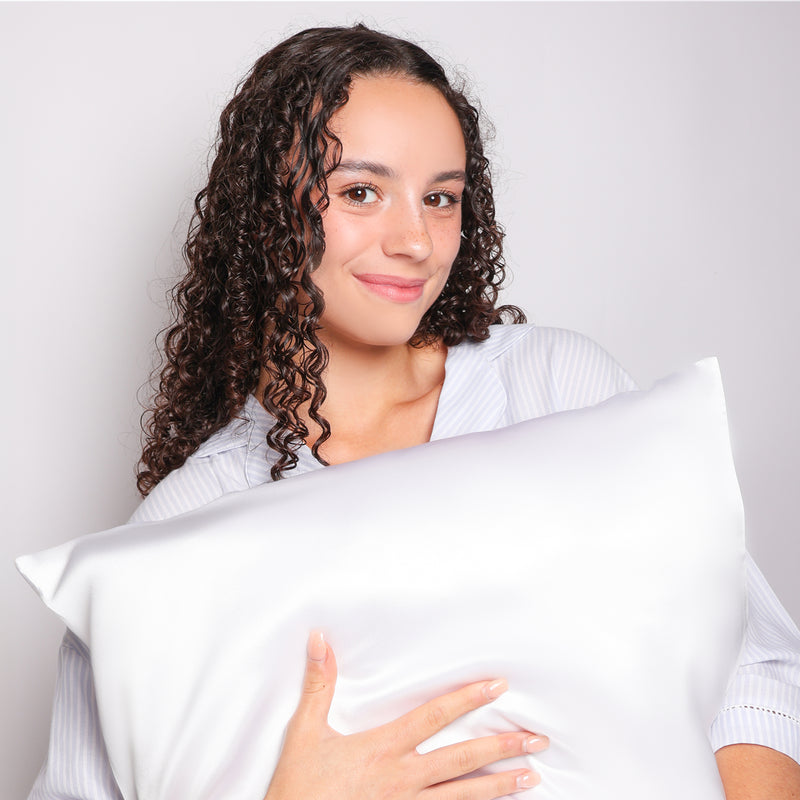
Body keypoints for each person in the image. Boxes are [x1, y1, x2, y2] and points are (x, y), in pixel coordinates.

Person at [28, 24, 800, 800]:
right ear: (266, 213)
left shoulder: (557, 386)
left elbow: (749, 667)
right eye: (361, 191)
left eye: (441, 198)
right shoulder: (179, 532)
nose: (417, 242)